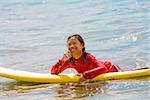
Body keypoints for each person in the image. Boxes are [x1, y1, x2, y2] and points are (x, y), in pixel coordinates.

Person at [51, 34, 122, 82]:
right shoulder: (70, 61)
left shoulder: (87, 57)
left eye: (74, 43)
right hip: (96, 74)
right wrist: (61, 60)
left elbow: (103, 69)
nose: (72, 46)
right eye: (69, 44)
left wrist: (85, 75)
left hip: (111, 69)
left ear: (82, 45)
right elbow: (54, 72)